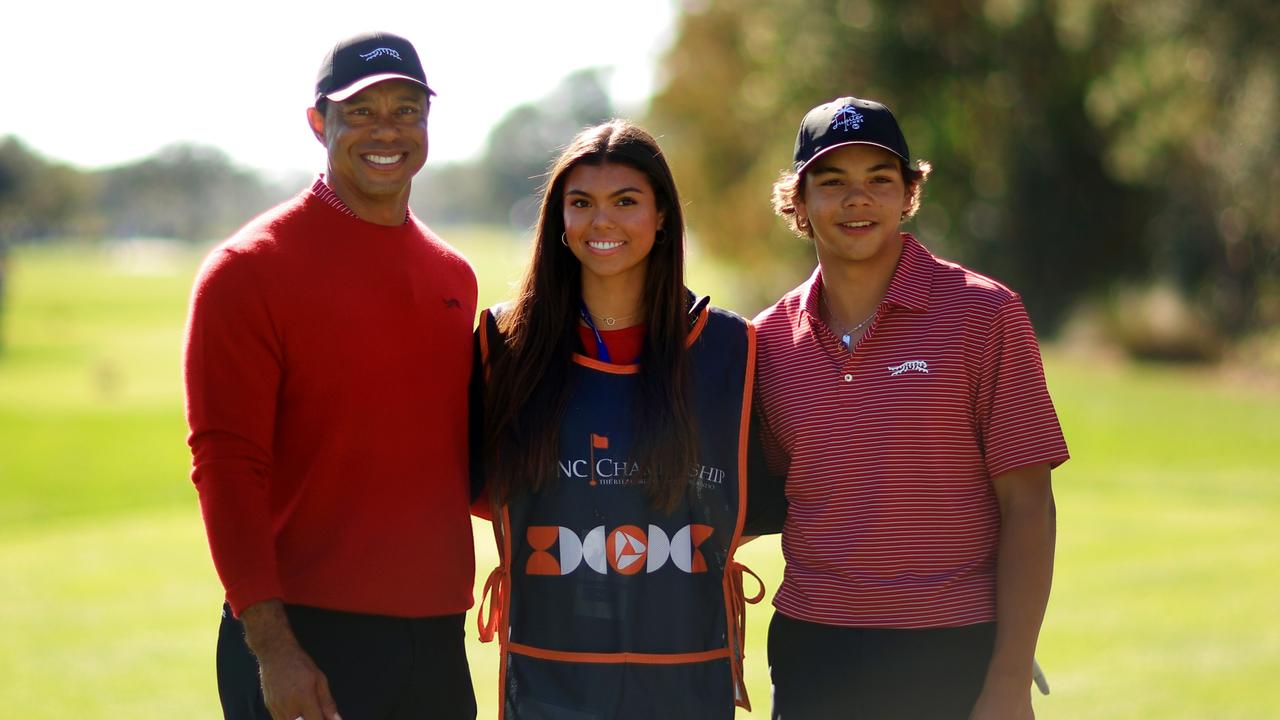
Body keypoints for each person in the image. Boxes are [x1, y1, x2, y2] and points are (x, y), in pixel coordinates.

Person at [184, 31, 478, 720]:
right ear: (319, 122)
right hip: (306, 641)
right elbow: (226, 467)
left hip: (437, 639)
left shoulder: (452, 276)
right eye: (362, 111)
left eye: (406, 110)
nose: (387, 131)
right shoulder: (247, 269)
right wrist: (275, 651)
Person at [752, 96, 1069, 719]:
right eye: (833, 182)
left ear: (908, 194)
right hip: (812, 651)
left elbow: (1028, 503)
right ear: (799, 202)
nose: (857, 200)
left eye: (879, 180)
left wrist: (1007, 676)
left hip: (949, 651)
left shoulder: (985, 314)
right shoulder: (765, 340)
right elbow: (747, 498)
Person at [472, 120, 763, 719]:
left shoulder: (733, 350)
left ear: (661, 218)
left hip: (687, 687)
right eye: (581, 203)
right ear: (559, 221)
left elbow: (758, 504)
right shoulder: (501, 346)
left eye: (626, 202)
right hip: (548, 687)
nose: (601, 221)